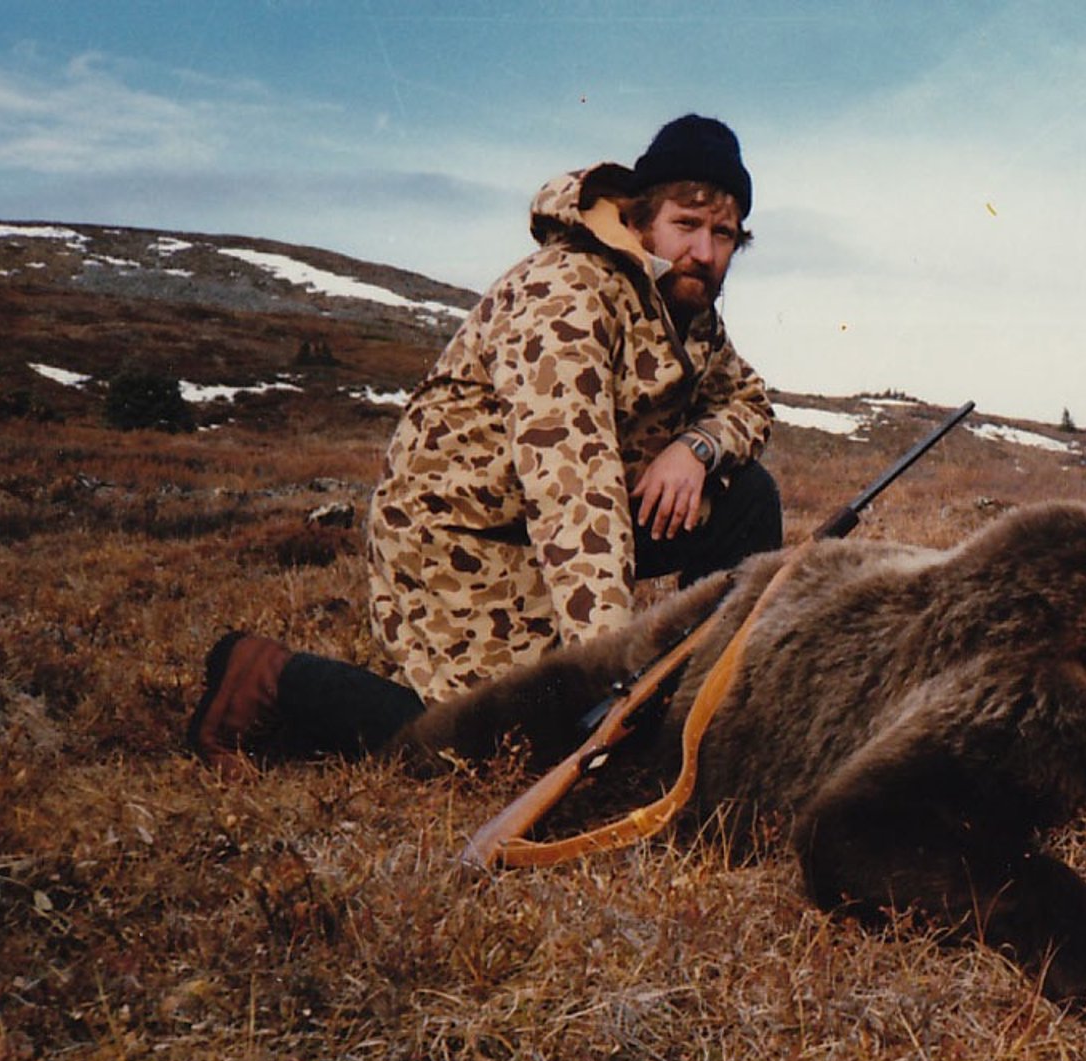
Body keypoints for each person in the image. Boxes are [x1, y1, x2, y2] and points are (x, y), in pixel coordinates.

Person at [187, 114, 782, 770]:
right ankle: (270, 678)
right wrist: (611, 673)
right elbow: (573, 491)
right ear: (642, 221)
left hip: (552, 528)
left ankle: (704, 711)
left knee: (746, 497)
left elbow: (748, 400)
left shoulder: (687, 313)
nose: (704, 250)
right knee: (510, 750)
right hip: (462, 537)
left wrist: (695, 448)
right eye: (687, 225)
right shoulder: (567, 296)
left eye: (723, 233)